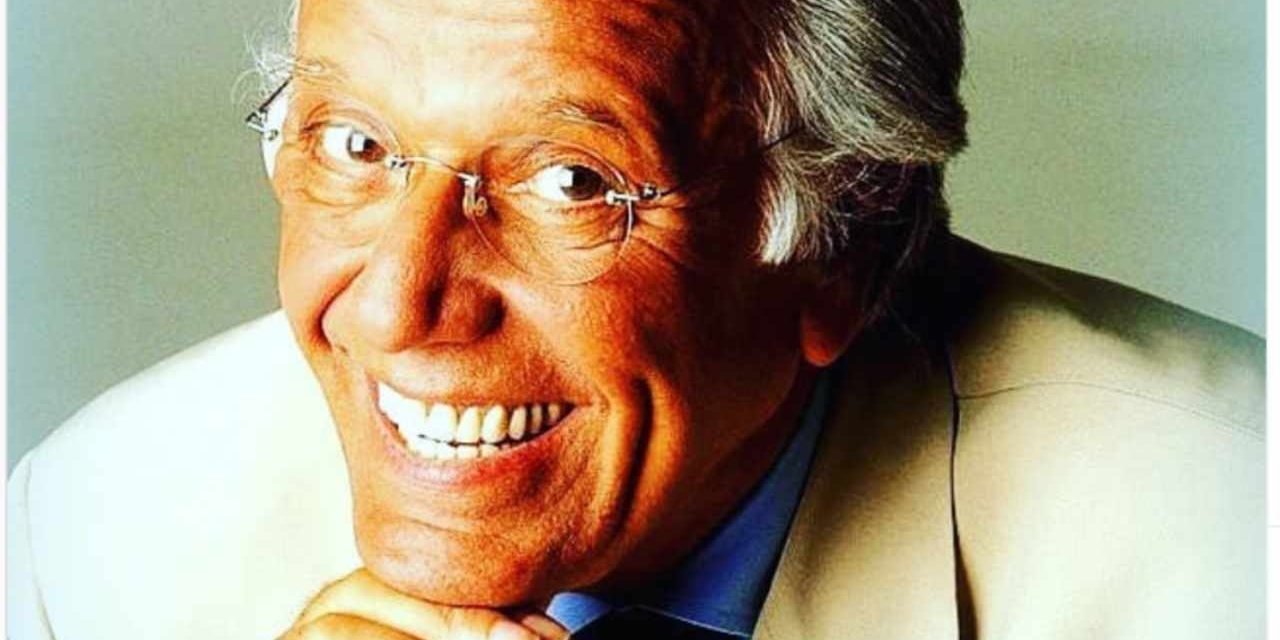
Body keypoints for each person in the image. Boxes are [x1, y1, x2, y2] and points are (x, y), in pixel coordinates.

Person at [7, 0, 1263, 638]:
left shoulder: (1228, 543)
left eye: (570, 181)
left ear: (839, 241)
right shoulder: (93, 537)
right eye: (355, 145)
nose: (393, 306)